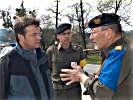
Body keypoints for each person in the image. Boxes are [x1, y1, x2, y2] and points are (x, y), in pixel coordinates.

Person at [60, 13, 132, 100]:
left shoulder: (118, 54)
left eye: (93, 33)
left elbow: (100, 94)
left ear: (108, 33)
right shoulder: (120, 49)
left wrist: (81, 76)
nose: (91, 38)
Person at [0, 17, 53, 100]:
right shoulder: (7, 62)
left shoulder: (43, 57)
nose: (39, 38)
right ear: (21, 37)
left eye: (39, 34)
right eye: (34, 34)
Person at [46, 23, 86, 100]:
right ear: (58, 36)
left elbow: (82, 68)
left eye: (69, 33)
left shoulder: (79, 50)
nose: (67, 36)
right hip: (58, 92)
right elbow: (48, 70)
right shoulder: (51, 51)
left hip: (75, 91)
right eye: (63, 34)